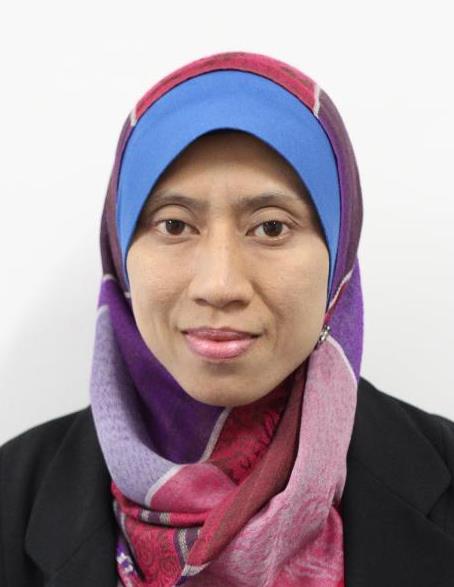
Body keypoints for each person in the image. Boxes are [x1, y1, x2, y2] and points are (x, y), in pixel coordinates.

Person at [1, 51, 453, 587]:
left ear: (338, 256)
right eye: (174, 225)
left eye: (271, 227)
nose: (220, 285)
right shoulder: (11, 496)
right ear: (121, 254)